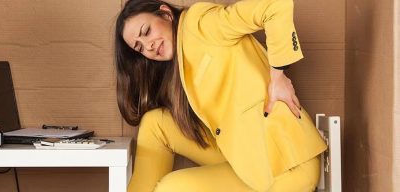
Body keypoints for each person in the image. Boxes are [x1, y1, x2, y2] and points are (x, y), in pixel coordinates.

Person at [114, 0, 327, 191]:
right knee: (154, 123)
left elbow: (274, 5)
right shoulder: (182, 58)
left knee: (170, 189)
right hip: (246, 157)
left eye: (147, 31)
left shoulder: (200, 23)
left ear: (166, 14)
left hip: (286, 167)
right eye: (139, 47)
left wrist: (278, 77)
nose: (149, 46)